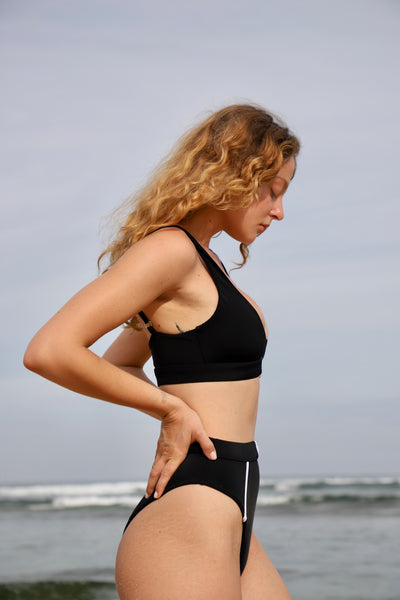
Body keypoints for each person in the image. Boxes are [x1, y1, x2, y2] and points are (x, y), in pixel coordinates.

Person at [24, 103, 300, 599]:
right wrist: (171, 410)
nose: (278, 211)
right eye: (273, 191)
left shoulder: (204, 262)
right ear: (236, 172)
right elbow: (50, 350)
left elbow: (123, 362)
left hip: (232, 504)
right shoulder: (171, 250)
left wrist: (169, 405)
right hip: (191, 508)